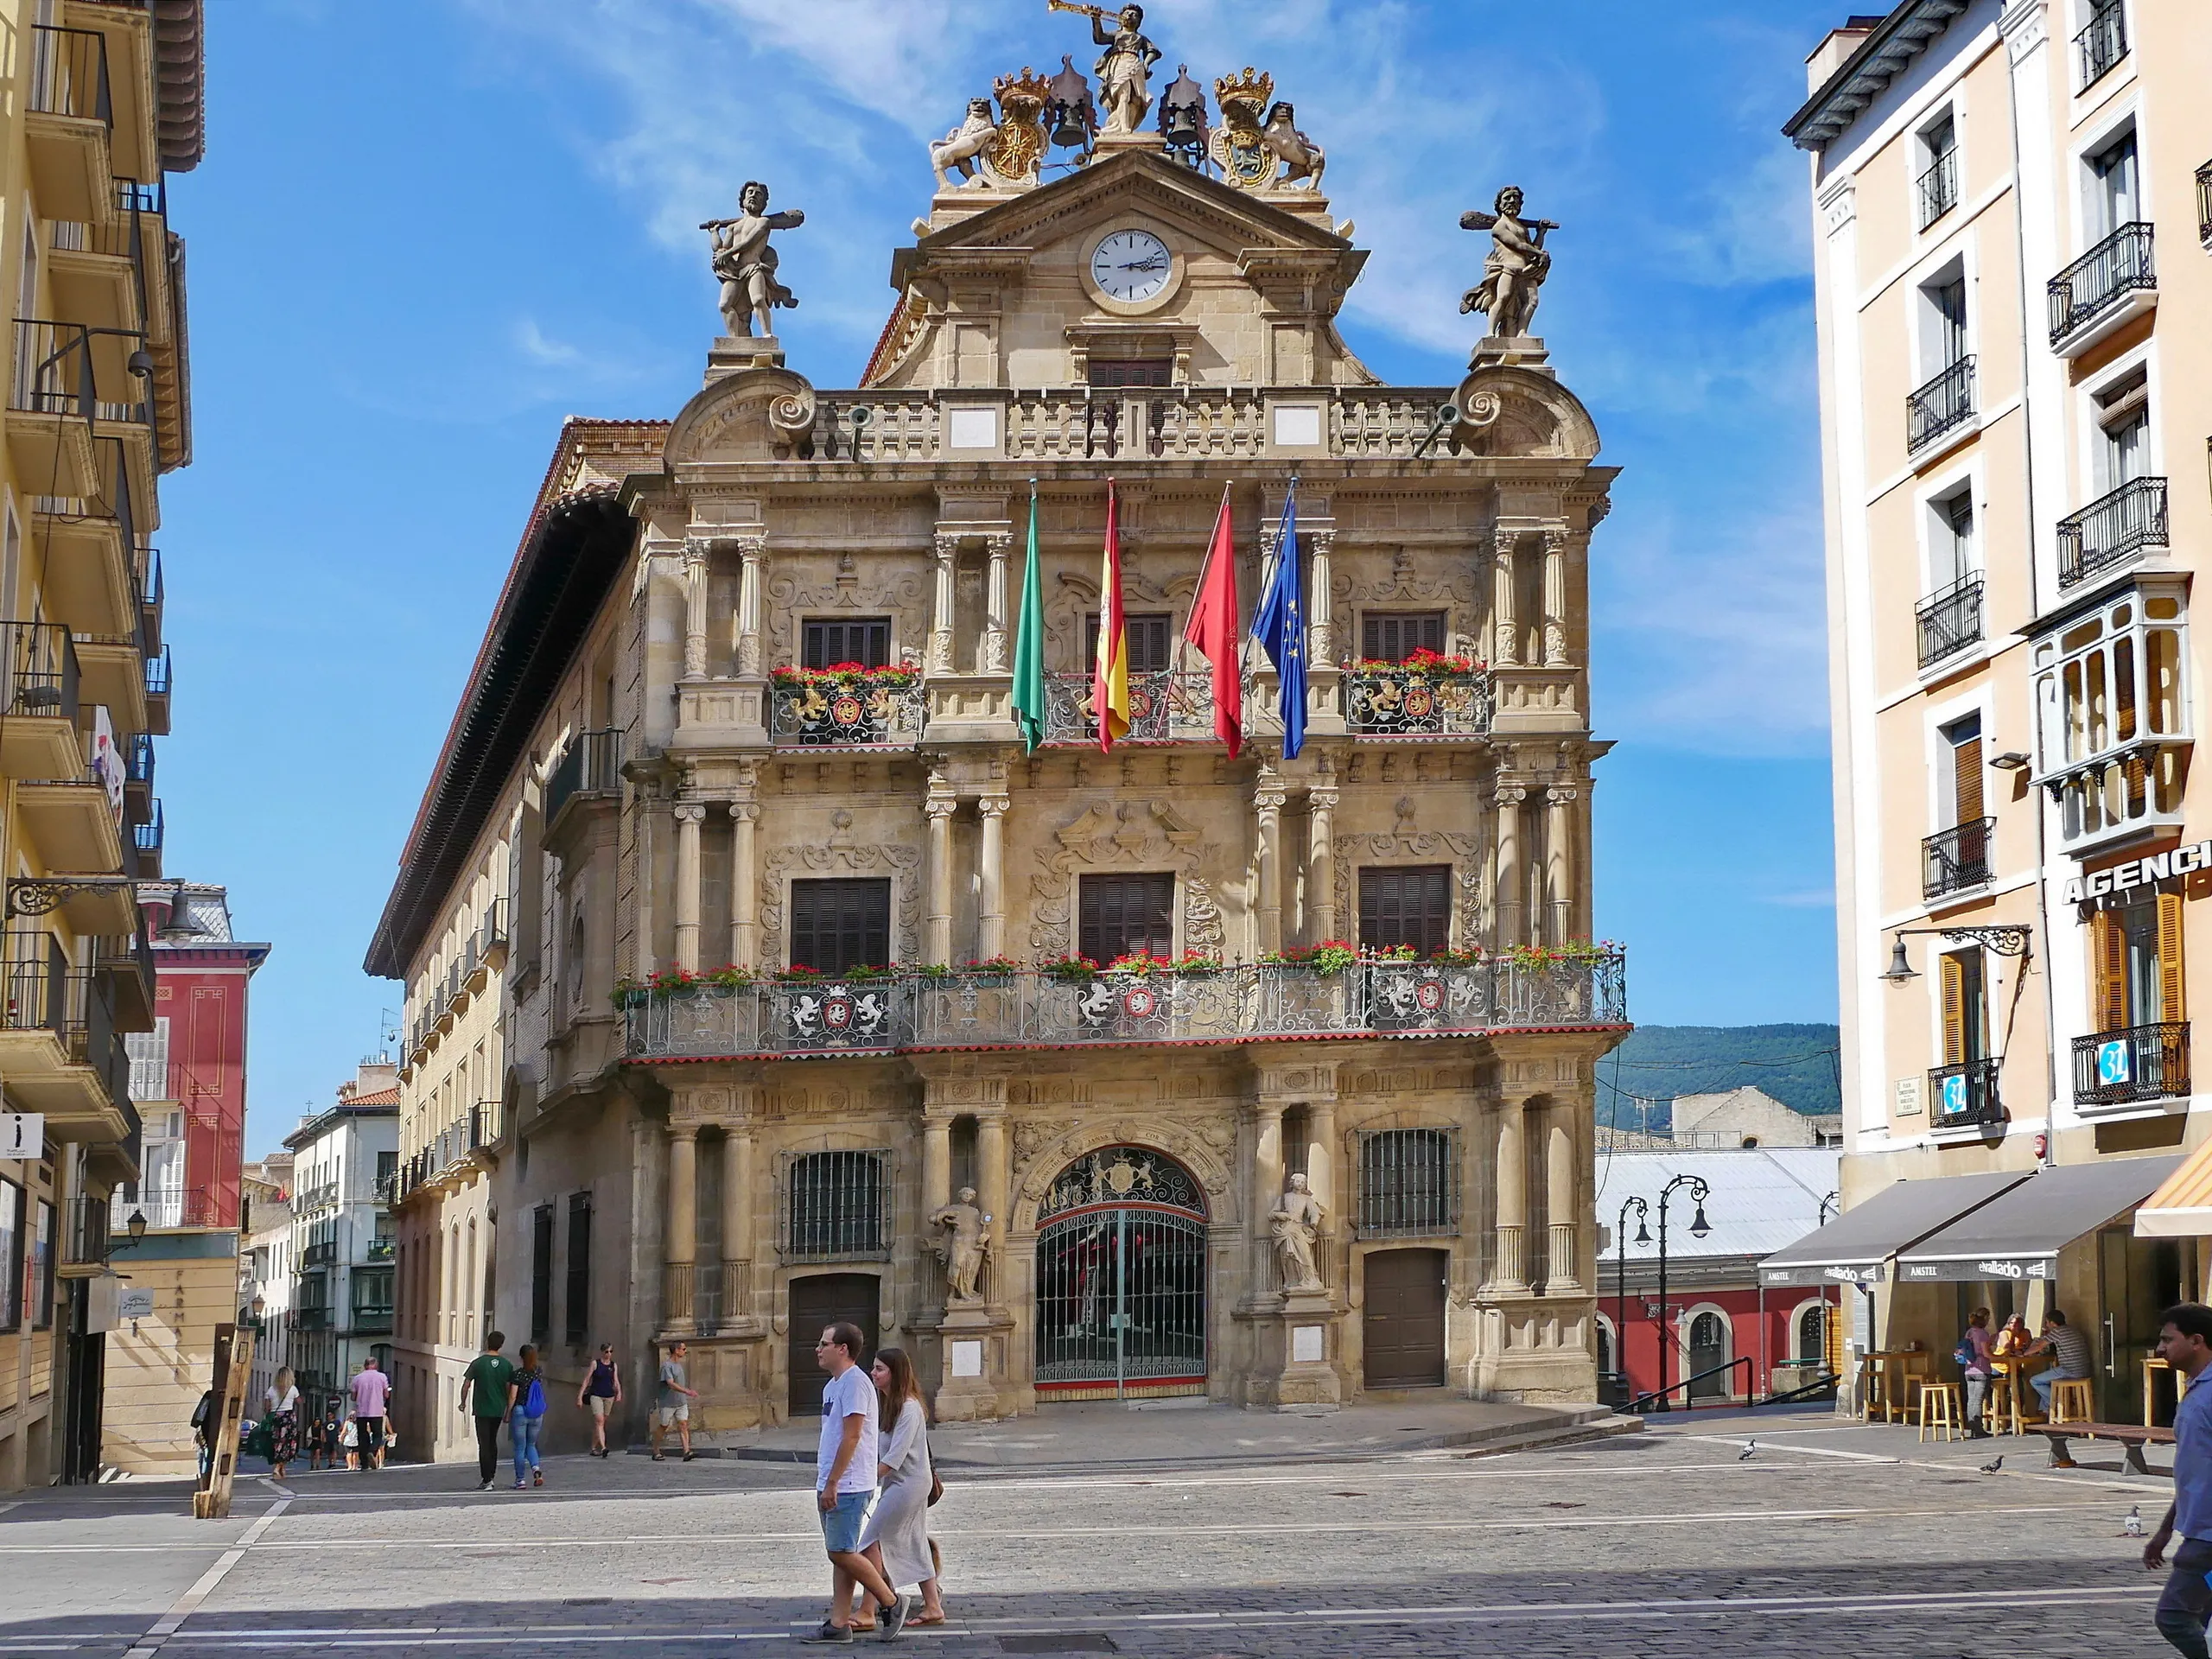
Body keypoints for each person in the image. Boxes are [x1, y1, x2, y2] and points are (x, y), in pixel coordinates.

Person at [803, 1322, 906, 1644]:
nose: (818, 1350)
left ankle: (891, 1601)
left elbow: (853, 1435)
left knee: (841, 1552)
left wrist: (834, 1482)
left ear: (842, 1349)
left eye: (824, 1344)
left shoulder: (855, 1384)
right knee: (841, 1551)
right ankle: (839, 1623)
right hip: (832, 1480)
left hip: (848, 1483)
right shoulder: (832, 1385)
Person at [850, 1346, 945, 1630]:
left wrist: (863, 1481)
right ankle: (933, 1606)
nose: (873, 1373)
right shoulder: (890, 1404)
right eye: (874, 1368)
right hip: (900, 1483)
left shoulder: (909, 1408)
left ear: (896, 1373)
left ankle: (871, 1607)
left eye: (880, 1369)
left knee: (869, 1542)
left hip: (909, 1484)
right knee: (915, 1543)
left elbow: (893, 1459)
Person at [2142, 1303, 2212, 1656]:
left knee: (2174, 1617)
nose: (2161, 1348)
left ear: (2197, 1340)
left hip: (2208, 1543)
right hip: (2198, 1530)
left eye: (2168, 1339)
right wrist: (2167, 1527)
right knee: (2200, 1618)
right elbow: (2194, 1470)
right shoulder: (2196, 1390)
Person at [459, 1331, 517, 1491]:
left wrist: (462, 1402)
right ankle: (492, 1475)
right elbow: (509, 1388)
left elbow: (466, 1385)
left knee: (483, 1444)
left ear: (487, 1342)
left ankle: (487, 1479)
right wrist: (507, 1410)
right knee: (492, 1442)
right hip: (498, 1409)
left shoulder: (478, 1363)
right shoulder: (507, 1365)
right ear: (501, 1345)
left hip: (482, 1409)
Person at [2025, 1308, 2094, 1419]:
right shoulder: (2072, 1329)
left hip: (2069, 1370)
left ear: (2053, 1323)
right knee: (2049, 1380)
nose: (2046, 1325)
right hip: (2084, 1370)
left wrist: (2025, 1354)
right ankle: (2045, 1409)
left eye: (2047, 1322)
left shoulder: (2058, 1332)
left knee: (2035, 1381)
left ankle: (2058, 1403)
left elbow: (2039, 1345)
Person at [507, 1344, 549, 1490]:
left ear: (521, 1357)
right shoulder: (538, 1372)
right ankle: (536, 1469)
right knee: (531, 1445)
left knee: (519, 1447)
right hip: (537, 1413)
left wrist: (508, 1413)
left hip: (520, 1411)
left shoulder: (518, 1374)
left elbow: (513, 1396)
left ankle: (520, 1480)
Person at [652, 1340, 699, 1463]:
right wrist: (687, 1391)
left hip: (680, 1402)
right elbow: (671, 1383)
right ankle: (656, 1449)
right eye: (683, 1349)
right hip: (667, 1402)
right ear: (676, 1350)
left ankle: (686, 1451)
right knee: (664, 1426)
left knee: (683, 1424)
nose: (685, 1351)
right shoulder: (667, 1366)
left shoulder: (678, 1365)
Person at [578, 1343, 622, 1458]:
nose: (608, 1354)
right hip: (596, 1395)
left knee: (601, 1423)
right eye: (606, 1352)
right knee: (599, 1420)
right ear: (602, 1352)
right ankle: (603, 1447)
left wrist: (619, 1392)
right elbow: (587, 1380)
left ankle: (593, 1447)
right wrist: (580, 1396)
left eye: (610, 1352)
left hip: (609, 1396)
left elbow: (615, 1380)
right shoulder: (595, 1364)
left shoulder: (613, 1365)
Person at [348, 1356, 391, 1472]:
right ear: (375, 1365)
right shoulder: (382, 1377)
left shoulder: (357, 1378)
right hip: (376, 1410)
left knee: (362, 1436)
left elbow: (353, 1397)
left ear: (365, 1365)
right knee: (377, 1435)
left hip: (361, 1411)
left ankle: (364, 1464)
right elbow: (386, 1394)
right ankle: (372, 1451)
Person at [1957, 1308, 1995, 1437]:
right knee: (1978, 1399)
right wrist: (1995, 1357)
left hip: (1968, 1369)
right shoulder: (1982, 1333)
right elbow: (1985, 1352)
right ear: (1984, 1319)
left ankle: (1973, 1427)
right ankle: (1978, 1429)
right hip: (1981, 1368)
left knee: (1971, 1400)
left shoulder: (1969, 1332)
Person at [263, 1367, 302, 1479]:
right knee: (288, 1444)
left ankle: (281, 1468)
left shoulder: (271, 1390)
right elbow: (299, 1402)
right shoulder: (293, 1389)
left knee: (278, 1443)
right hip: (289, 1417)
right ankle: (278, 1467)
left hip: (276, 1417)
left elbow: (266, 1408)